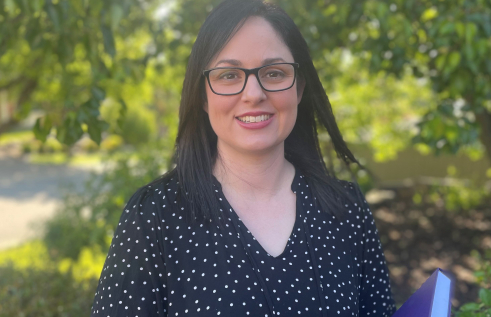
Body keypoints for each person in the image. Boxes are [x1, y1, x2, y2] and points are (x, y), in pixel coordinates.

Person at [90, 0, 396, 316]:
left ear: (299, 88)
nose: (253, 93)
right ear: (203, 96)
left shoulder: (347, 210)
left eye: (274, 73)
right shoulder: (154, 216)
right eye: (229, 75)